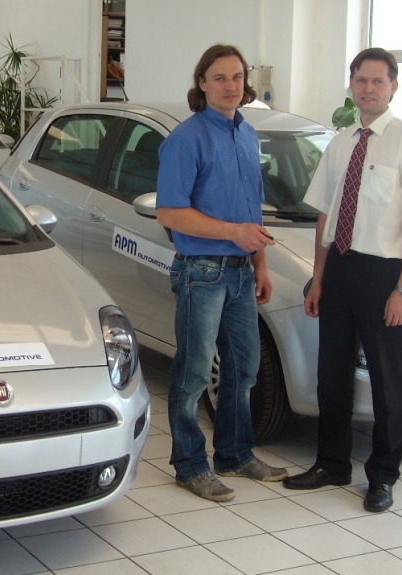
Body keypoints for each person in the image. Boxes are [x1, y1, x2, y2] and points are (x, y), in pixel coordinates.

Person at [282, 48, 402, 513]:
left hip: (384, 274)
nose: (368, 89)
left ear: (393, 87)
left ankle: (383, 476)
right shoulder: (341, 142)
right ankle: (332, 463)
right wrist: (318, 279)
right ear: (351, 85)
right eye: (361, 80)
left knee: (389, 381)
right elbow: (325, 215)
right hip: (340, 268)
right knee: (332, 374)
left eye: (377, 81)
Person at [156, 44, 286, 502]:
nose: (231, 86)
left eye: (237, 77)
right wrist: (233, 233)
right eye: (220, 77)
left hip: (241, 274)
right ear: (202, 83)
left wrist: (260, 263)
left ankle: (234, 454)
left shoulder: (246, 133)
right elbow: (170, 213)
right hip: (202, 272)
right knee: (193, 374)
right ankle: (190, 465)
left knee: (243, 369)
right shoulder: (185, 139)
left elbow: (252, 209)